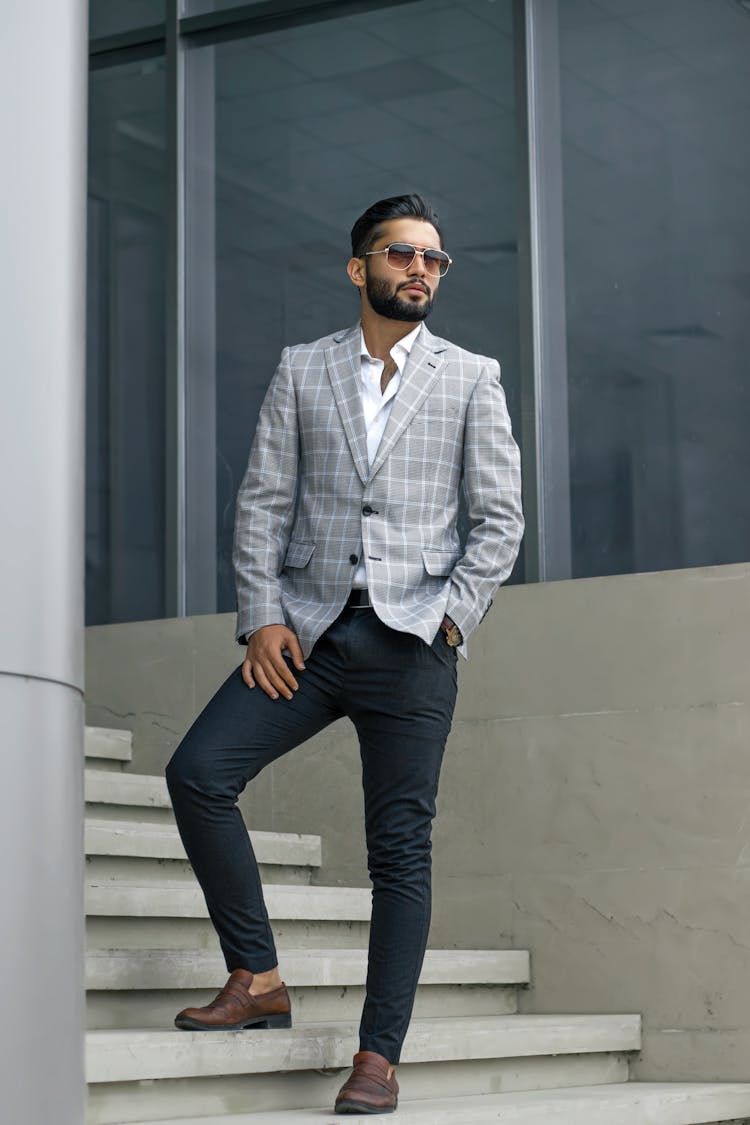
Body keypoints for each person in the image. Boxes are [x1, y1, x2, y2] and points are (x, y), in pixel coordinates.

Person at [165, 193, 524, 1115]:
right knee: (200, 771)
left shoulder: (471, 376)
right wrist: (261, 615)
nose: (421, 270)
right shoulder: (302, 368)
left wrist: (451, 621)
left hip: (413, 645)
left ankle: (377, 1055)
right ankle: (257, 974)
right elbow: (262, 501)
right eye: (402, 254)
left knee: (399, 849)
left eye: (435, 260)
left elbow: (498, 522)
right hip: (311, 634)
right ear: (359, 266)